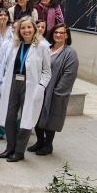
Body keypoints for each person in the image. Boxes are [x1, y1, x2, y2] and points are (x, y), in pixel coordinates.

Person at [0, 17, 52, 162]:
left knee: (26, 119)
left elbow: (47, 71)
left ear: (34, 29)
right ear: (18, 30)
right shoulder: (15, 44)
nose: (26, 30)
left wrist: (41, 87)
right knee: (9, 116)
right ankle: (10, 148)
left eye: (29, 27)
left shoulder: (42, 46)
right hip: (13, 83)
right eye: (23, 28)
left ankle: (19, 152)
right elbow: (7, 66)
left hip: (31, 86)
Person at [31, 24, 79, 156]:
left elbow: (69, 75)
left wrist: (58, 91)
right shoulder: (46, 48)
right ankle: (39, 141)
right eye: (56, 32)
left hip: (55, 92)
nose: (58, 35)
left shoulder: (70, 53)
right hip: (40, 88)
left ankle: (48, 144)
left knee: (50, 119)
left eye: (61, 33)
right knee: (37, 115)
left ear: (66, 35)